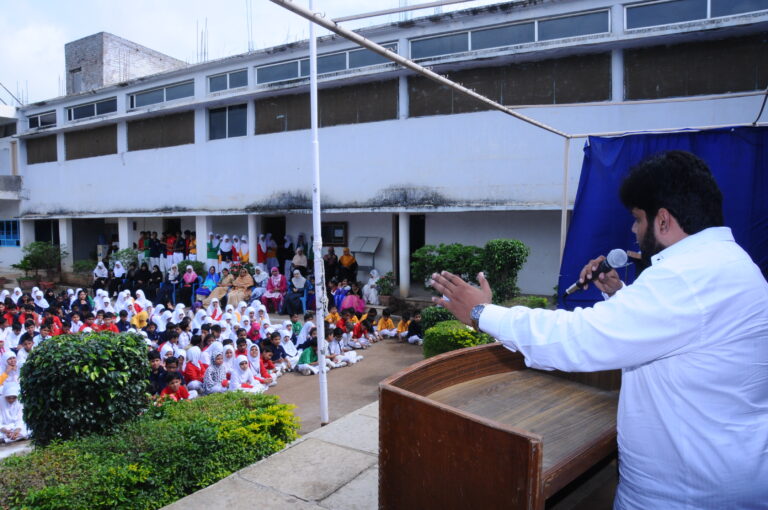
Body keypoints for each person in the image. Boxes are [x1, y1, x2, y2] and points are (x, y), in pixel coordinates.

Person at [430, 150, 768, 509]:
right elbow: (674, 337)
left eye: (638, 220)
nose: (635, 232)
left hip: (685, 496)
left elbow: (578, 339)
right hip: (716, 477)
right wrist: (618, 296)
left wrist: (482, 312)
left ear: (664, 220)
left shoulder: (686, 277)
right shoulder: (730, 264)